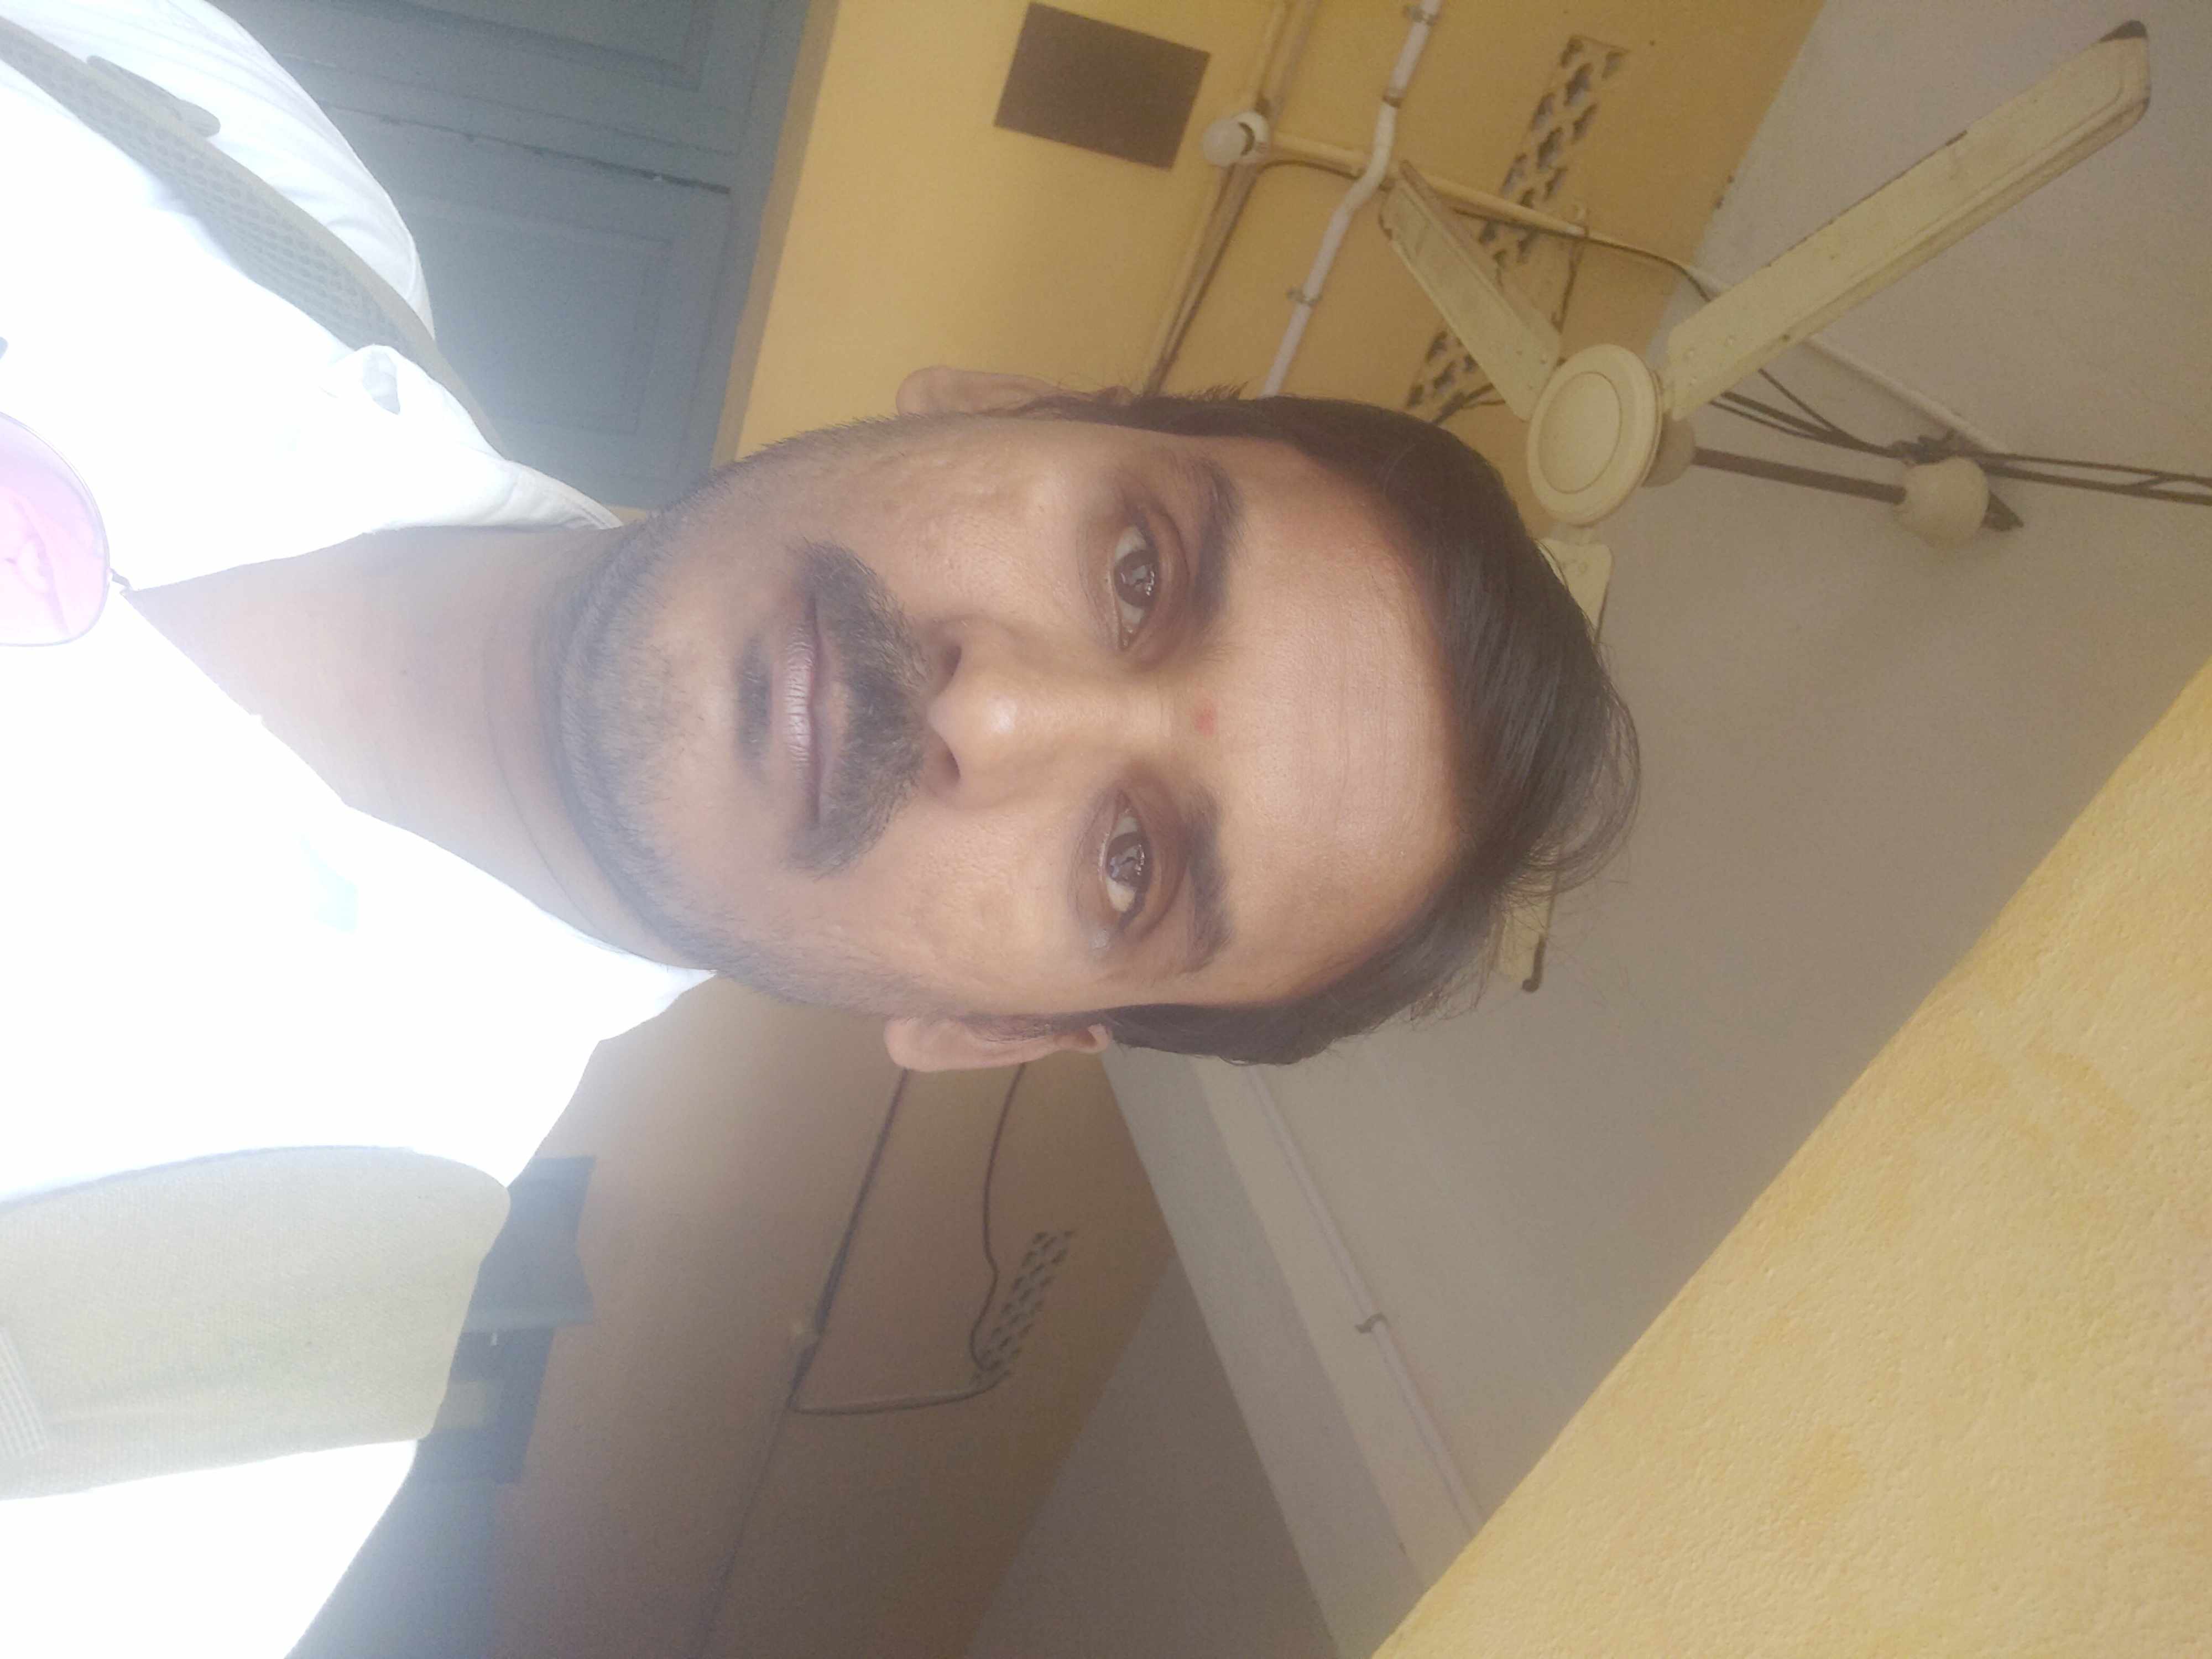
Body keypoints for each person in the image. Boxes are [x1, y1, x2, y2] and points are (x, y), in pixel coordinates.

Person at [0, 0, 1634, 1651]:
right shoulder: (231, 160)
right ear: (993, 403)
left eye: (1131, 862)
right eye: (1139, 572)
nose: (996, 714)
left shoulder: (168, 1472)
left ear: (992, 1031)